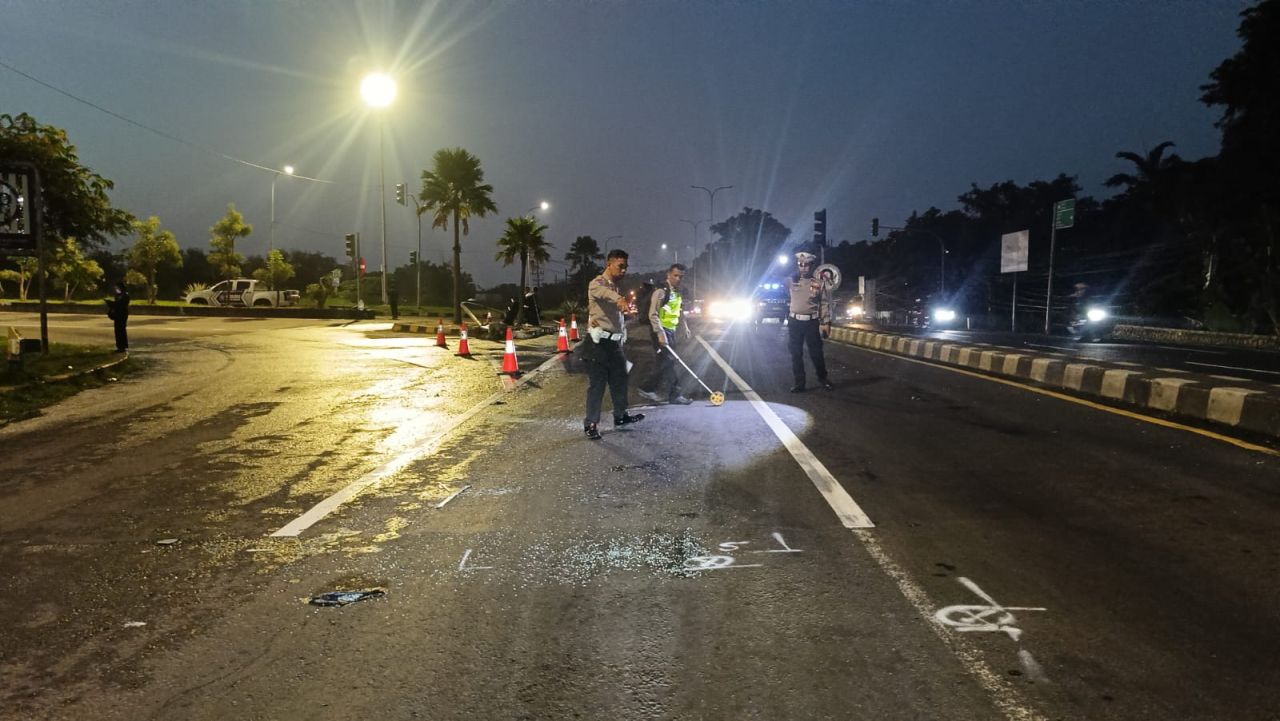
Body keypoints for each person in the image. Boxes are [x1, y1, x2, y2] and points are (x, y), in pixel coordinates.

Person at [581, 249, 644, 440]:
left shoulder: (615, 287)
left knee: (620, 381)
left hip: (614, 345)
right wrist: (620, 300)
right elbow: (605, 294)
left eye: (626, 267)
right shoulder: (597, 283)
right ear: (609, 264)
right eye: (620, 266)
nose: (624, 270)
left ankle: (620, 416)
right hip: (597, 344)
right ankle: (591, 424)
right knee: (597, 386)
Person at [637, 263, 692, 405]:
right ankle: (674, 394)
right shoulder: (661, 291)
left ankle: (647, 387)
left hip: (671, 330)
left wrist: (684, 326)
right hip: (660, 331)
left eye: (681, 276)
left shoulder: (677, 292)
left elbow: (678, 311)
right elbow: (653, 314)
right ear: (668, 274)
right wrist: (660, 333)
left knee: (664, 362)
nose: (678, 279)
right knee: (668, 361)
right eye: (676, 275)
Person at [786, 249, 832, 392]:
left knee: (816, 353)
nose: (803, 267)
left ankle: (823, 378)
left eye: (806, 265)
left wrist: (825, 323)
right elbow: (775, 273)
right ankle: (800, 383)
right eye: (800, 264)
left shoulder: (818, 283)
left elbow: (824, 303)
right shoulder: (791, 280)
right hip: (794, 322)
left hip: (811, 323)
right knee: (796, 353)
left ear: (812, 266)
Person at [105, 281, 130, 352]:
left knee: (121, 330)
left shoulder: (125, 295)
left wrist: (112, 304)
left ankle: (122, 346)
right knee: (117, 330)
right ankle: (119, 346)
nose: (116, 289)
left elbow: (120, 305)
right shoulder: (118, 296)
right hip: (117, 314)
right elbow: (116, 304)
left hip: (122, 315)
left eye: (117, 287)